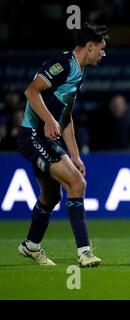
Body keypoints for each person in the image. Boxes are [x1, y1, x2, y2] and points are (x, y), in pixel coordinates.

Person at [16, 22, 109, 267]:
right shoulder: (63, 64)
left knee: (51, 196)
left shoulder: (80, 72)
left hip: (45, 137)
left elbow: (66, 118)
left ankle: (31, 246)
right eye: (102, 48)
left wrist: (76, 156)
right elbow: (31, 91)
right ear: (89, 46)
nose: (104, 53)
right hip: (33, 136)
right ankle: (85, 252)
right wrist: (47, 121)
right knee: (77, 184)